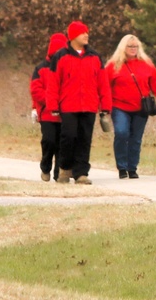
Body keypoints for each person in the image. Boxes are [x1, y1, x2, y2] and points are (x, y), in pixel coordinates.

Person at [46, 21, 111, 185]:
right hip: (68, 105)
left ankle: (81, 173)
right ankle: (65, 168)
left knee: (85, 138)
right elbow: (53, 83)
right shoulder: (60, 56)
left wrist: (106, 106)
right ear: (73, 36)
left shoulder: (95, 56)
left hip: (89, 105)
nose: (86, 35)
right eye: (83, 33)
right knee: (68, 137)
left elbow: (103, 83)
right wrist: (52, 105)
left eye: (87, 32)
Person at [105, 35, 156, 180]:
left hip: (141, 108)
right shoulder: (113, 65)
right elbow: (105, 87)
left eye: (135, 46)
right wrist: (104, 106)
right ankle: (122, 167)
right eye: (130, 46)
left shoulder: (146, 64)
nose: (133, 49)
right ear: (123, 48)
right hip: (119, 106)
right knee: (122, 133)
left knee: (136, 138)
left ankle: (132, 168)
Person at [30, 33, 67, 182]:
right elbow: (35, 89)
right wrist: (51, 100)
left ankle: (58, 173)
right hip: (47, 113)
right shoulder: (40, 68)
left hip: (65, 113)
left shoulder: (68, 67)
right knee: (49, 141)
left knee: (61, 144)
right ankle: (45, 167)